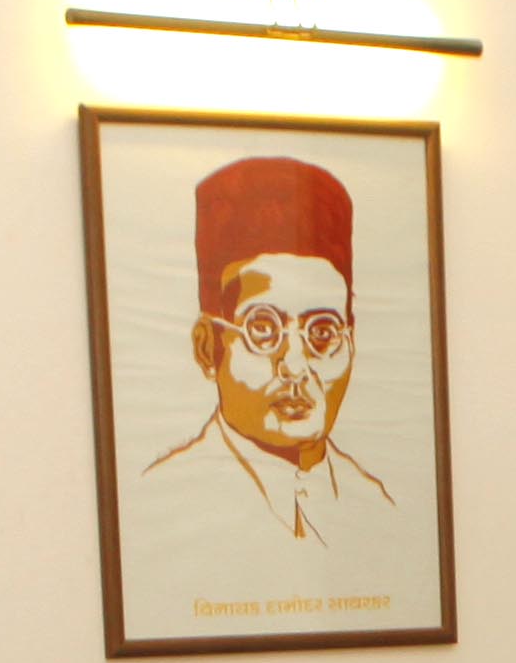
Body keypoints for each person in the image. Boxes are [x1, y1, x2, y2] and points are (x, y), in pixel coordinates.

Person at [129, 152, 400, 558]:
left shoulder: (379, 508)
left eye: (322, 332)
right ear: (207, 347)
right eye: (262, 330)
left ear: (352, 343)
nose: (294, 366)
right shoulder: (163, 504)